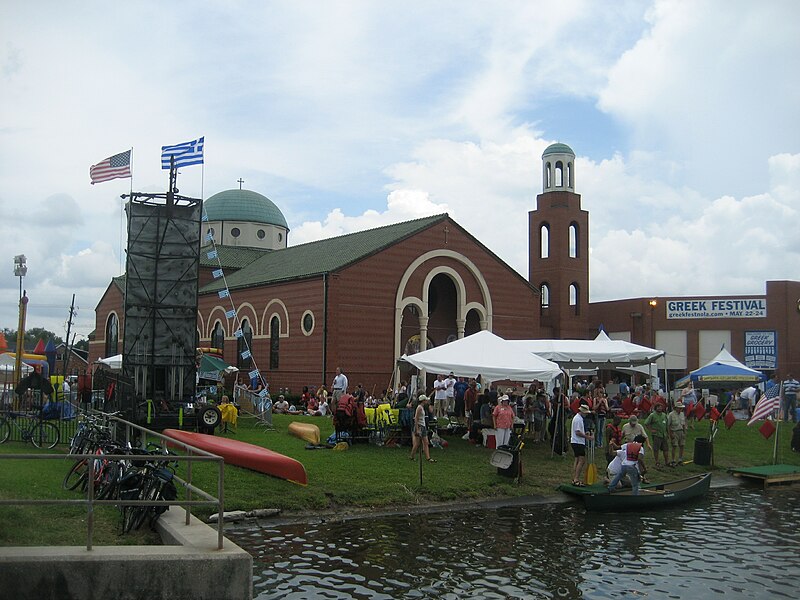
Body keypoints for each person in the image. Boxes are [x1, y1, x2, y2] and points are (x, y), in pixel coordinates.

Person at [570, 405, 594, 486]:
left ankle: (574, 478)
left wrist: (585, 434)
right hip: (578, 442)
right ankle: (576, 478)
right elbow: (577, 432)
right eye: (585, 413)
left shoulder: (579, 418)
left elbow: (579, 431)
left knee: (577, 460)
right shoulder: (578, 419)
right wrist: (588, 437)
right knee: (581, 461)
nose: (586, 414)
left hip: (576, 441)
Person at [409, 395, 435, 462]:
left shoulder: (422, 407)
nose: (427, 401)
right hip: (419, 426)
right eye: (426, 400)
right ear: (423, 401)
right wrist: (417, 429)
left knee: (426, 442)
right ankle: (412, 455)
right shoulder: (419, 408)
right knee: (417, 443)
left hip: (423, 426)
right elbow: (416, 418)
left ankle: (428, 457)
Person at [643, 402, 668, 468]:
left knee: (666, 449)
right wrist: (651, 430)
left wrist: (668, 433)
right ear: (655, 408)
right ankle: (657, 462)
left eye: (661, 407)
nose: (660, 408)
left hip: (664, 435)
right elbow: (646, 423)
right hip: (657, 435)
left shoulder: (664, 415)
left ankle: (667, 462)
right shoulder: (652, 415)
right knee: (656, 449)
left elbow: (667, 425)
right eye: (658, 407)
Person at [667, 401, 688, 466]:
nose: (680, 409)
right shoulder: (671, 414)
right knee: (674, 446)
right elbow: (668, 425)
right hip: (674, 431)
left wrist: (684, 432)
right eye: (679, 408)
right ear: (675, 408)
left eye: (681, 408)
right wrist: (670, 434)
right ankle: (673, 460)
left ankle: (680, 459)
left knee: (682, 445)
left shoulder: (682, 414)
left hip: (681, 431)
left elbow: (683, 424)